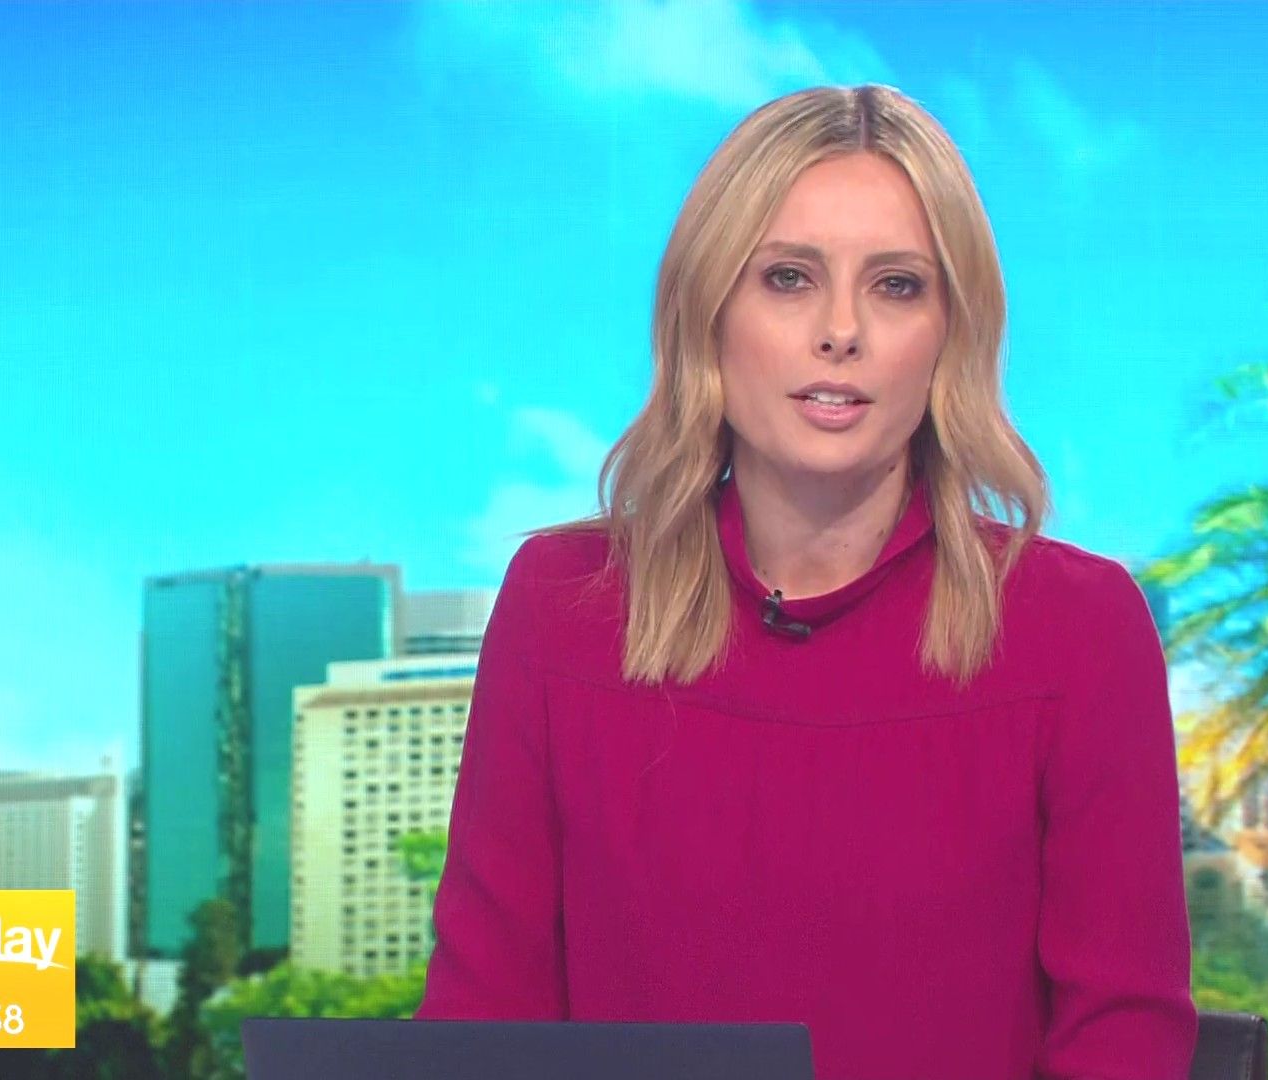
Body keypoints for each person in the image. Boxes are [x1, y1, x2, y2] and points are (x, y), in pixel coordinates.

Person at [415, 84, 1197, 1079]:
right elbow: (483, 1018)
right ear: (709, 313)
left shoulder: (1076, 631)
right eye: (788, 278)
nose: (841, 330)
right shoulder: (563, 608)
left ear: (951, 335)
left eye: (897, 286)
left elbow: (1125, 1039)